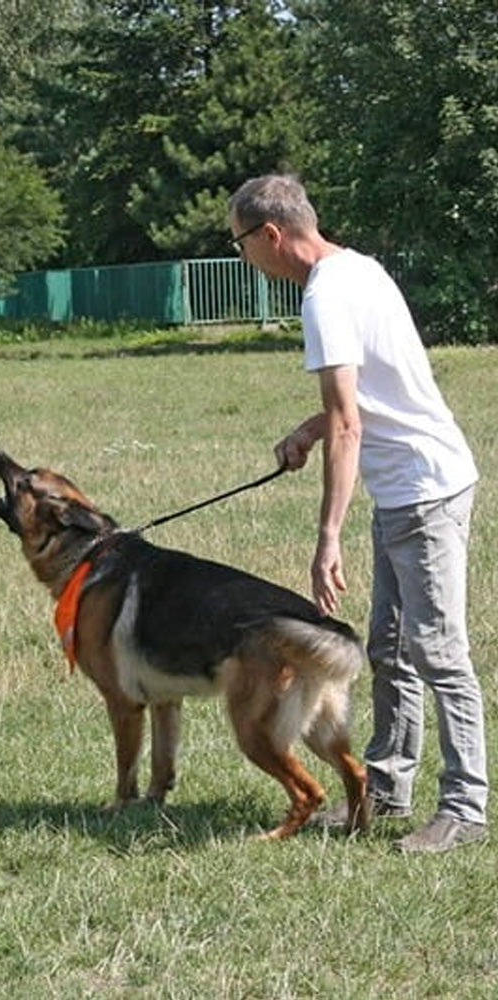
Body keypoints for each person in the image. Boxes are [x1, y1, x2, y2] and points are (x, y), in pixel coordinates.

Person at [228, 173, 488, 854]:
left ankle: (465, 805)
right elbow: (373, 395)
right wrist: (308, 431)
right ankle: (387, 786)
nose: (244, 257)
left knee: (438, 651)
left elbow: (351, 423)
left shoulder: (325, 300)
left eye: (241, 244)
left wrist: (328, 536)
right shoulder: (361, 270)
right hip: (415, 485)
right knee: (388, 647)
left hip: (422, 489)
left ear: (271, 235)